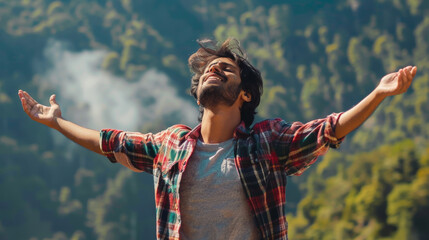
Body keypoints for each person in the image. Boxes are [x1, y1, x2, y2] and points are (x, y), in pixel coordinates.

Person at [18, 38, 417, 240]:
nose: (215, 71)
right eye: (210, 69)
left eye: (226, 69)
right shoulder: (171, 145)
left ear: (245, 94)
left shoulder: (265, 142)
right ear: (197, 91)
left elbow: (327, 129)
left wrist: (378, 94)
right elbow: (110, 142)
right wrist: (57, 123)